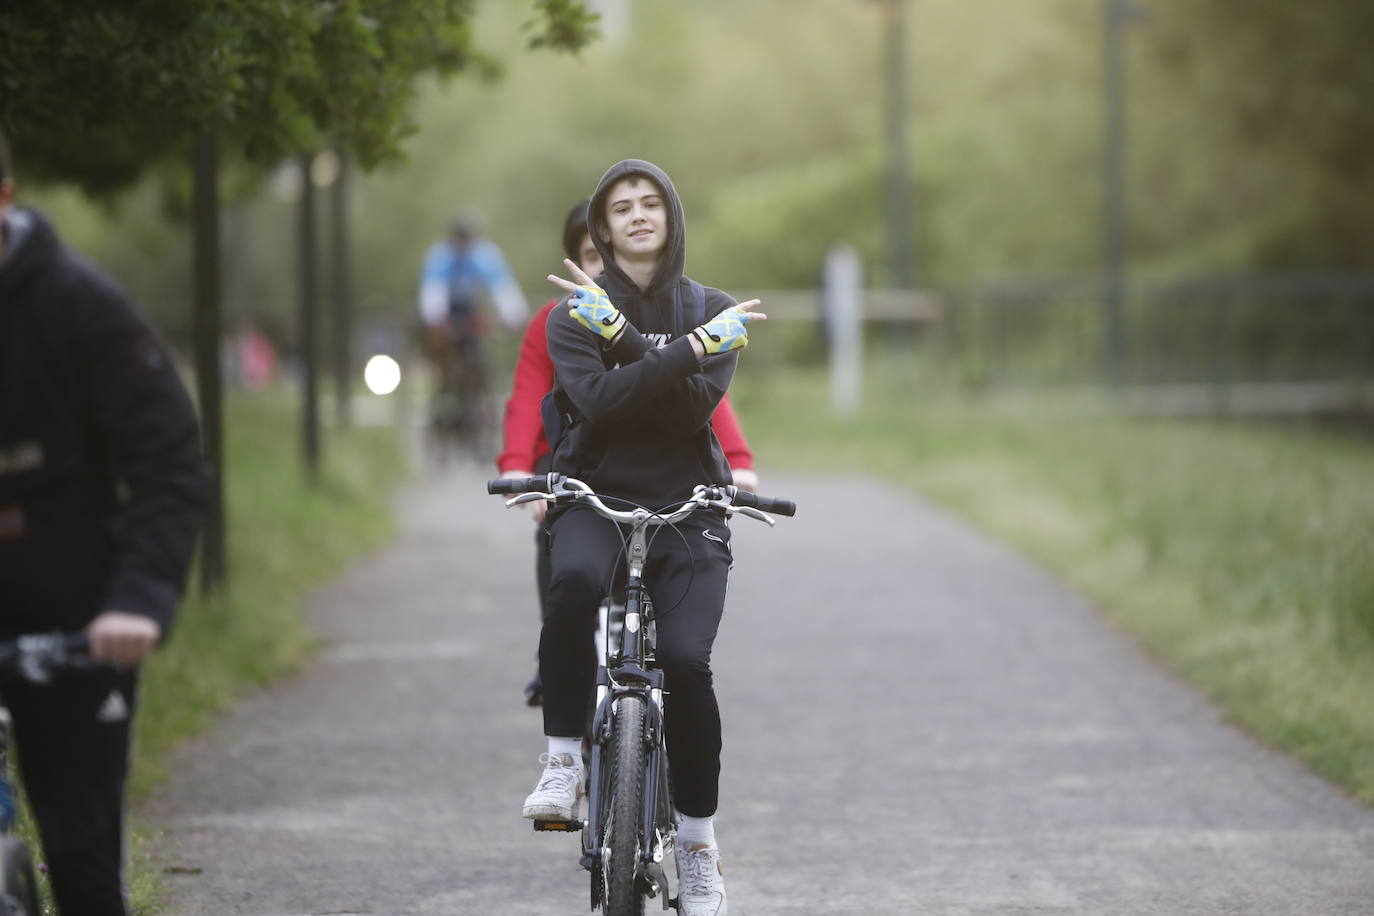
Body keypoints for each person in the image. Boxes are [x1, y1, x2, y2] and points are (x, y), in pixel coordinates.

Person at [523, 159, 766, 916]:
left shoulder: (713, 306)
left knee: (689, 666)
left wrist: (628, 339)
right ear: (601, 225)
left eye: (649, 201)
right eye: (620, 205)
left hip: (691, 506)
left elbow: (691, 413)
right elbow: (594, 403)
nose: (635, 214)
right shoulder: (573, 313)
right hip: (594, 495)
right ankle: (564, 757)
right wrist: (682, 349)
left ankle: (697, 845)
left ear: (671, 216)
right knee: (569, 590)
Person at [0, 129, 207, 915]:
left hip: (79, 613)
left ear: (5, 198)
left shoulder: (77, 306)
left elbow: (168, 460)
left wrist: (140, 598)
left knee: (82, 864)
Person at [496, 199, 759, 707]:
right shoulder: (562, 318)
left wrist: (739, 459)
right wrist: (517, 467)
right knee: (557, 541)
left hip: (658, 462)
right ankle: (556, 660)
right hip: (570, 456)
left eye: (603, 257)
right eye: (589, 259)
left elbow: (697, 399)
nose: (600, 268)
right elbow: (528, 395)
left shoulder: (671, 311)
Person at [417, 212, 528, 456]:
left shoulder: (485, 255)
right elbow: (432, 294)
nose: (464, 244)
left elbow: (503, 287)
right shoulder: (440, 257)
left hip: (470, 312)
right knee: (445, 368)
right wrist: (436, 323)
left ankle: (480, 407)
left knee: (478, 363)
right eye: (460, 239)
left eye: (467, 239)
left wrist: (513, 315)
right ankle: (443, 400)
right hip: (447, 312)